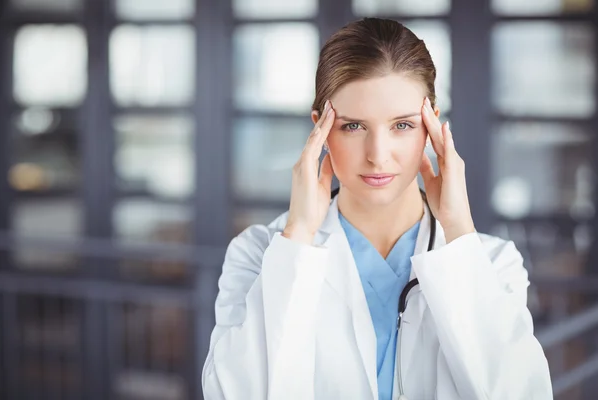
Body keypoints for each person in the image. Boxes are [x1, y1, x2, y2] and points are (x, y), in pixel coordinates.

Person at [202, 18, 552, 400]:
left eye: (402, 125)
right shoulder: (259, 255)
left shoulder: (492, 263)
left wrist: (459, 229)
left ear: (431, 127)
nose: (377, 156)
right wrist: (298, 238)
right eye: (353, 127)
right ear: (320, 129)